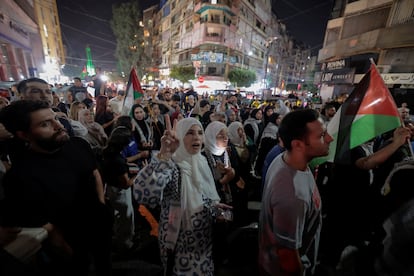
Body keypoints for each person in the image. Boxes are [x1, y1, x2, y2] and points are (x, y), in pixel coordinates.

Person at [0, 100, 112, 275]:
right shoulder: (20, 177)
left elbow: (94, 172)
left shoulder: (78, 145)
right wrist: (73, 256)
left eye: (55, 118)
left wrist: (101, 205)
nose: (58, 126)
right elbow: (48, 228)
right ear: (23, 134)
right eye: (45, 124)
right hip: (72, 247)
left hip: (100, 227)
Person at [133, 117, 231, 275]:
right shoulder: (172, 166)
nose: (197, 137)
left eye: (200, 132)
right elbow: (144, 194)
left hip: (204, 246)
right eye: (189, 133)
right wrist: (165, 153)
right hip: (179, 248)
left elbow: (203, 197)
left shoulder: (202, 162)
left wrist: (215, 209)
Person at [258, 109, 333, 276]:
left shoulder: (285, 159)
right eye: (321, 136)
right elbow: (287, 257)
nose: (329, 138)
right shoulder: (292, 194)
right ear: (297, 144)